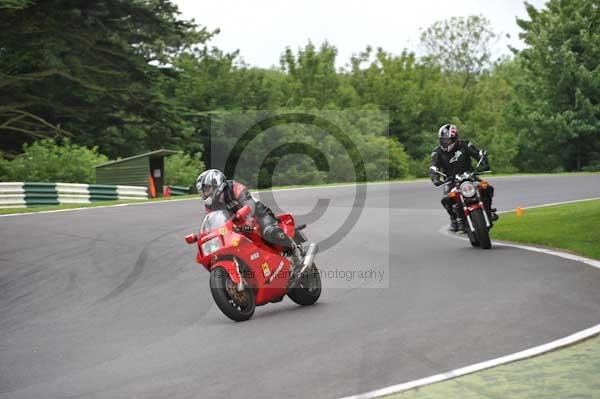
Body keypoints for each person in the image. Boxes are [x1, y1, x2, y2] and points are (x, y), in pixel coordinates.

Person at [196, 169, 304, 271]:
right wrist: (205, 235)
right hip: (236, 225)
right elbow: (212, 221)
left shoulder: (234, 187)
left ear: (217, 184)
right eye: (202, 191)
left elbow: (249, 204)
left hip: (258, 216)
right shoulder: (210, 205)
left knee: (269, 231)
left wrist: (247, 218)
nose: (204, 194)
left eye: (206, 189)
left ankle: (293, 249)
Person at [429, 124, 498, 232]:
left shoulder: (465, 144)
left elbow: (478, 153)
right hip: (451, 180)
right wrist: (435, 178)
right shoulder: (437, 151)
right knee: (446, 199)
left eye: (447, 140)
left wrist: (484, 163)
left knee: (487, 188)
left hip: (470, 176)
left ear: (454, 138)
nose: (445, 142)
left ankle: (488, 211)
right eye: (443, 140)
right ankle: (454, 219)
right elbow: (433, 166)